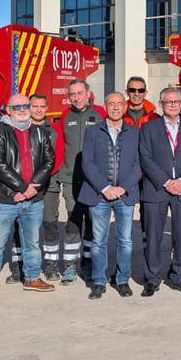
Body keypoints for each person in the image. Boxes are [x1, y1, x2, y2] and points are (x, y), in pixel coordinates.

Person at [0, 93, 56, 301]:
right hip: (4, 199)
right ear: (8, 110)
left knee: (32, 242)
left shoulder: (39, 132)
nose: (22, 110)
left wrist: (32, 187)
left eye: (25, 106)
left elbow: (49, 160)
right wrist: (22, 187)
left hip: (33, 199)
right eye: (16, 107)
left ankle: (32, 278)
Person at [137, 87, 181, 296]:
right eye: (168, 102)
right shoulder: (149, 128)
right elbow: (145, 158)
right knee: (153, 236)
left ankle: (178, 275)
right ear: (161, 104)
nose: (172, 105)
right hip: (156, 189)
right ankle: (152, 278)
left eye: (176, 102)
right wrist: (166, 182)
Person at [78, 92, 142, 299]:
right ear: (104, 106)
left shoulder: (134, 133)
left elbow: (138, 164)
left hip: (125, 195)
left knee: (125, 240)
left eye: (119, 104)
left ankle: (123, 280)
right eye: (111, 104)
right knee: (98, 241)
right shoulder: (92, 132)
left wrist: (123, 187)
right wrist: (105, 188)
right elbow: (87, 163)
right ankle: (99, 281)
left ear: (125, 106)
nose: (115, 107)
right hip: (99, 195)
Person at [50, 79, 106, 284]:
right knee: (73, 223)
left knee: (92, 223)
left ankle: (88, 264)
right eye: (72, 94)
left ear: (88, 93)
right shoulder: (65, 116)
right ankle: (70, 266)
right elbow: (60, 147)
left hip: (95, 181)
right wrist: (57, 174)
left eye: (80, 93)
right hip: (70, 180)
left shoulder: (100, 114)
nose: (76, 97)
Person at [6, 93, 61, 282]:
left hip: (48, 184)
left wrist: (37, 182)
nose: (38, 110)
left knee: (49, 223)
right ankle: (18, 267)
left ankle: (51, 266)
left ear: (47, 108)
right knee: (20, 226)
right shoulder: (17, 129)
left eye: (42, 106)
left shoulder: (54, 130)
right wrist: (24, 185)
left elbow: (57, 158)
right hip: (21, 186)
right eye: (34, 106)